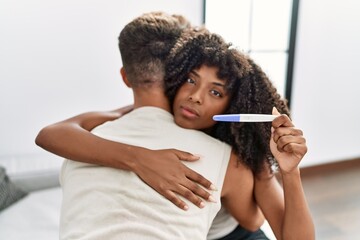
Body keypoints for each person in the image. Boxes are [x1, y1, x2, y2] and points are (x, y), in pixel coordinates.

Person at [37, 13, 315, 240]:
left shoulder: (241, 155)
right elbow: (52, 135)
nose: (196, 96)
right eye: (191, 80)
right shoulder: (137, 114)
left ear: (232, 107)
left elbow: (253, 220)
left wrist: (289, 174)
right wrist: (140, 159)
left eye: (215, 93)